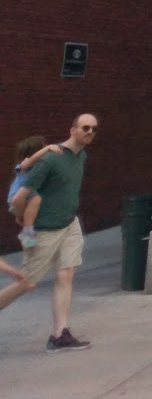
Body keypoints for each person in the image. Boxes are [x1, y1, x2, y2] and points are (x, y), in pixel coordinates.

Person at [0, 114, 98, 351]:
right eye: (85, 128)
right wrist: (23, 220)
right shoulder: (50, 160)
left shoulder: (81, 156)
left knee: (66, 274)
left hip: (69, 225)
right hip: (44, 230)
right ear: (72, 130)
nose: (90, 132)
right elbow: (20, 196)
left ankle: (59, 335)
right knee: (28, 282)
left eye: (94, 129)